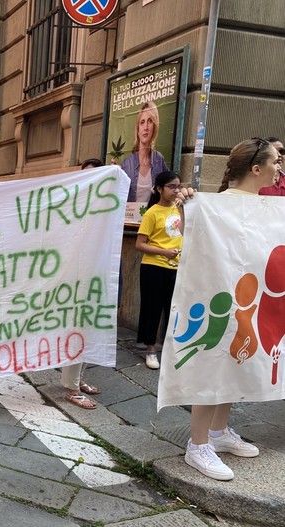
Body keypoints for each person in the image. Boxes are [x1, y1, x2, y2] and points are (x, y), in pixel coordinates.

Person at [183, 137, 280, 481]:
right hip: (219, 302)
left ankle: (219, 432)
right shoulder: (216, 205)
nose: (279, 168)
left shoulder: (267, 208)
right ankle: (197, 445)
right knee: (212, 367)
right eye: (275, 162)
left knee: (235, 364)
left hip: (250, 302)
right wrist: (187, 203)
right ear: (257, 169)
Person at [61, 158, 106, 409]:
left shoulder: (106, 206)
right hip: (74, 277)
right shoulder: (73, 206)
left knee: (91, 328)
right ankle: (72, 386)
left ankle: (78, 378)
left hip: (97, 275)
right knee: (76, 329)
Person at [135, 171, 185, 370]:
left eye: (178, 186)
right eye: (171, 186)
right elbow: (139, 244)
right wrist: (163, 252)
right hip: (154, 266)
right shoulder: (152, 213)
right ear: (159, 189)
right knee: (152, 308)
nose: (176, 190)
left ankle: (171, 348)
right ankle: (150, 349)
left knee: (174, 309)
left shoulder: (181, 209)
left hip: (178, 266)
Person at [121, 102, 170, 202]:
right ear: (138, 128)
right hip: (130, 217)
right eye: (142, 122)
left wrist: (184, 192)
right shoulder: (127, 164)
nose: (146, 127)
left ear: (155, 126)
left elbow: (171, 185)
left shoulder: (159, 160)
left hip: (152, 217)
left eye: (150, 121)